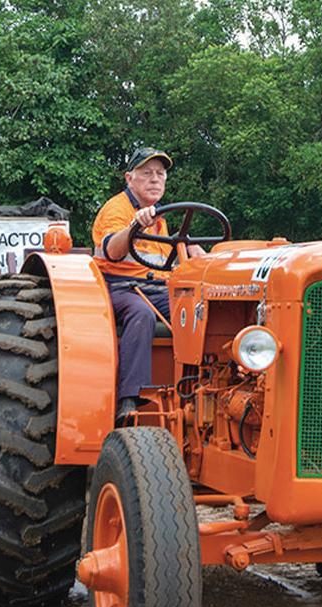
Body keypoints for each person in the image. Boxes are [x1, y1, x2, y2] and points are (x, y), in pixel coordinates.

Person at [92, 147, 206, 422]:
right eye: (146, 173)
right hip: (119, 287)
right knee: (141, 313)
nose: (155, 179)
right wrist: (135, 227)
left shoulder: (159, 218)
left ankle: (200, 389)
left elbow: (159, 262)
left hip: (155, 289)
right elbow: (112, 250)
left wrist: (189, 249)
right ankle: (130, 399)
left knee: (200, 310)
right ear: (129, 178)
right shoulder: (117, 209)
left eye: (160, 173)